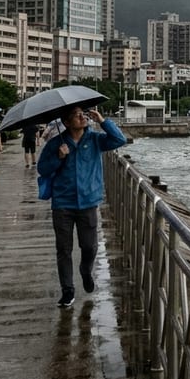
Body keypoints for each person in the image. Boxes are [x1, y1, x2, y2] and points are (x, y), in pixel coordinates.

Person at [36, 107, 126, 308]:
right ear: (66, 123)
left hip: (88, 202)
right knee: (63, 249)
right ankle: (67, 290)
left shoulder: (95, 139)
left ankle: (86, 270)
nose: (82, 116)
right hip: (62, 203)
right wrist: (58, 157)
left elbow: (119, 140)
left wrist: (103, 120)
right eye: (76, 115)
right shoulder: (56, 143)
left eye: (82, 113)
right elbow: (42, 168)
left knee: (89, 246)